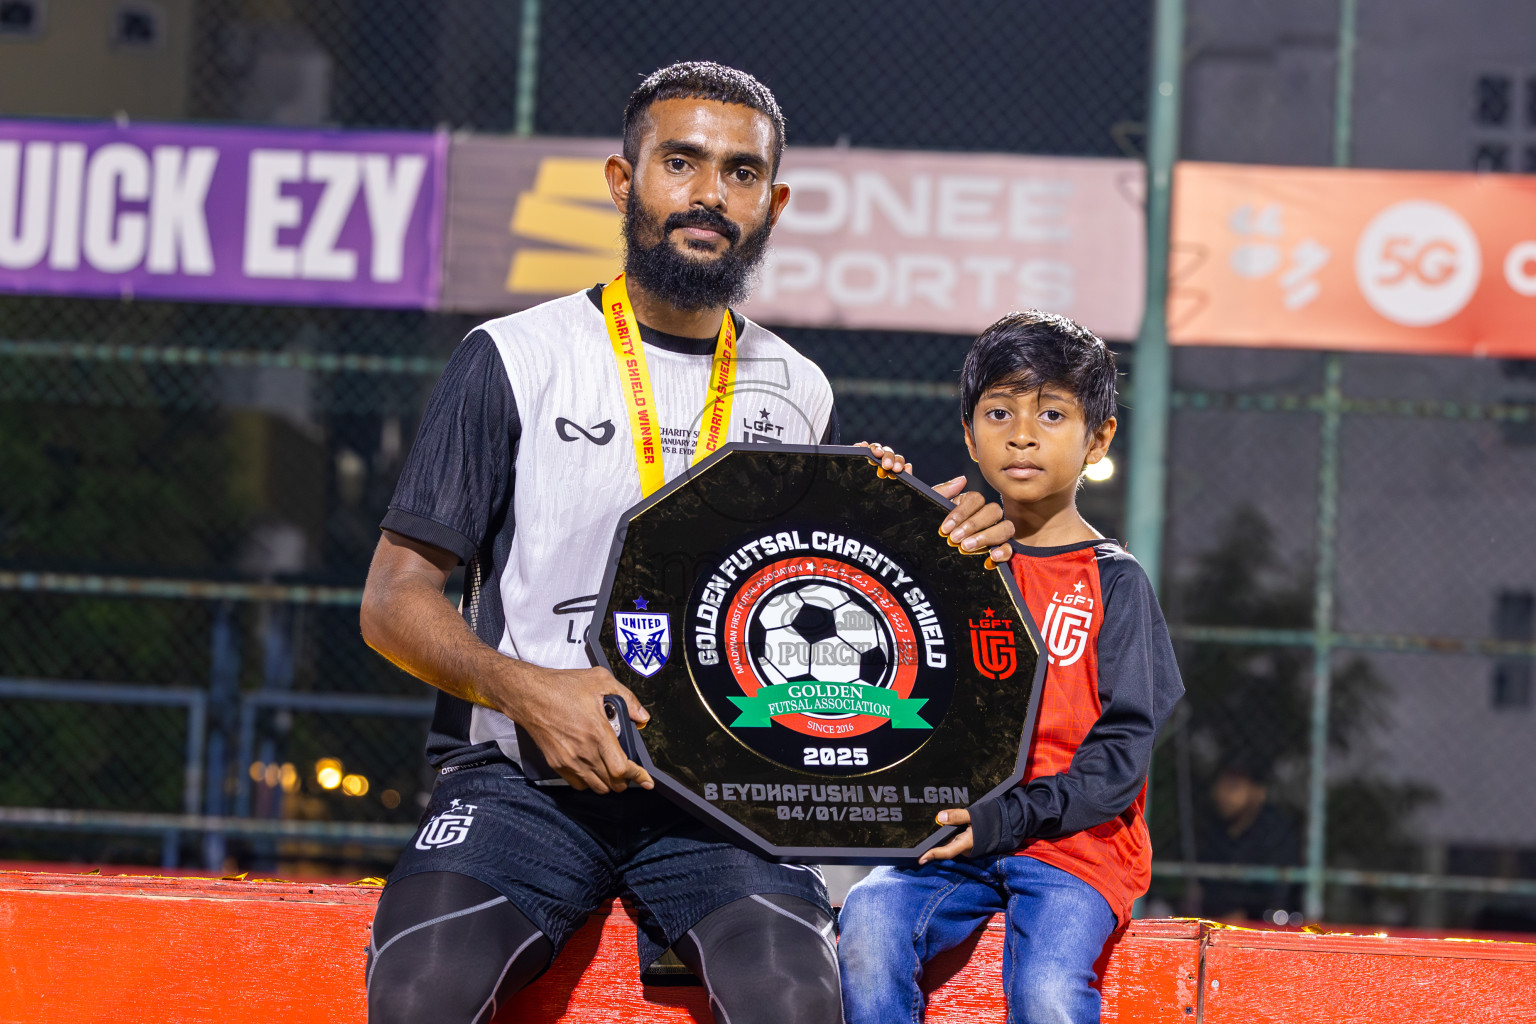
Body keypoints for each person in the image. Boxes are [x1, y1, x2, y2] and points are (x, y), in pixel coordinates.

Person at [358, 62, 848, 1024]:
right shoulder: (513, 356)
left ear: (773, 203)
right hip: (523, 784)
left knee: (795, 997)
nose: (709, 195)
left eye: (741, 174)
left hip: (717, 801)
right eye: (681, 162)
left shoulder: (803, 391)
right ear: (625, 183)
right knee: (419, 988)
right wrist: (531, 693)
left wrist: (953, 539)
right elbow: (391, 601)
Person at [838, 312, 1186, 1024]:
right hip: (956, 836)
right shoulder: (951, 557)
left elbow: (1120, 760)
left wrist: (1010, 817)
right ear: (969, 433)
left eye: (1052, 414)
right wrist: (877, 500)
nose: (1022, 434)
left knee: (1047, 992)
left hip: (1071, 849)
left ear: (1098, 440)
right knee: (868, 923)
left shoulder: (1114, 582)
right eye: (999, 412)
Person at [1198, 750, 1301, 922]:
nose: (1222, 795)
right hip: (1219, 922)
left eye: (1233, 787)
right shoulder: (1212, 829)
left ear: (1259, 793)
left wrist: (1245, 914)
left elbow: (1281, 896)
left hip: (1268, 923)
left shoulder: (1276, 831)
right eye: (1219, 785)